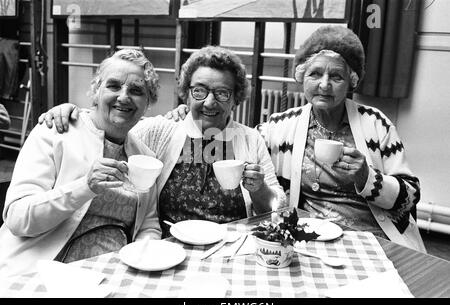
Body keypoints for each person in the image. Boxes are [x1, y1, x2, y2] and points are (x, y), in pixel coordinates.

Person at [165, 26, 426, 252]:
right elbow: (242, 137)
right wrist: (187, 113)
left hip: (373, 237)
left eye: (336, 76)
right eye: (315, 74)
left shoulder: (375, 123)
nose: (324, 85)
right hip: (307, 237)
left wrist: (367, 178)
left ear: (351, 81)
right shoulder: (281, 126)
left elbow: (411, 194)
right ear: (302, 78)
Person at [37, 46, 287, 238]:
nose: (209, 102)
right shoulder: (160, 131)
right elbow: (115, 120)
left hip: (233, 248)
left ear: (236, 99)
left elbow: (277, 207)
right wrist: (71, 112)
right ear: (186, 94)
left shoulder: (250, 139)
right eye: (199, 91)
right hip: (170, 249)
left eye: (222, 93)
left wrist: (259, 189)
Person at [0, 49, 162, 277]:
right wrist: (84, 187)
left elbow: (149, 224)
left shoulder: (145, 157)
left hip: (113, 274)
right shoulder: (55, 131)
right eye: (113, 86)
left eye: (136, 91)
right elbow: (18, 219)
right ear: (96, 92)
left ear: (148, 103)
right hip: (41, 271)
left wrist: (144, 255)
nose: (124, 96)